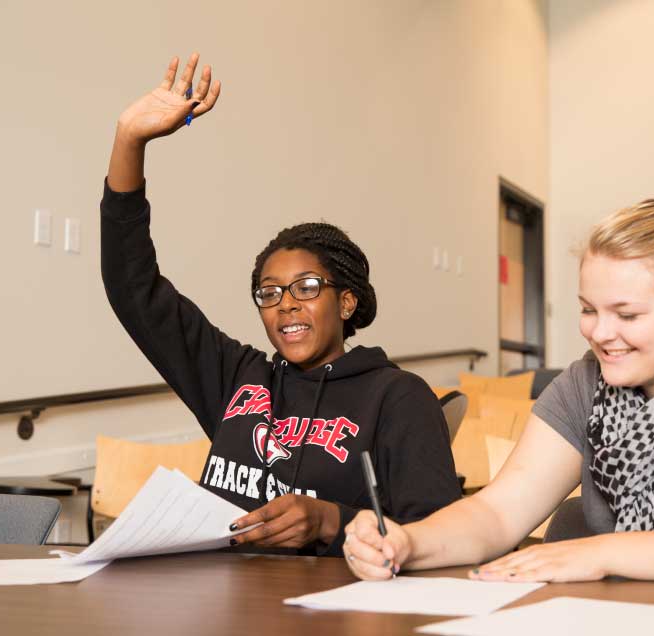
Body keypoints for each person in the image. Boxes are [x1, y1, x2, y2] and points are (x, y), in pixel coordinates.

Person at [344, 195, 654, 581]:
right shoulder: (582, 382)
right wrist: (409, 542)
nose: (599, 333)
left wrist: (603, 551)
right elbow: (497, 514)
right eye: (588, 309)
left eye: (627, 314)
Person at [101, 53, 461, 557]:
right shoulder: (238, 379)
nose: (286, 305)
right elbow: (132, 287)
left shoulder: (398, 398)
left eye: (307, 287)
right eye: (270, 293)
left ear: (348, 301)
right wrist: (129, 139)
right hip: (222, 604)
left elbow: (440, 535)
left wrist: (330, 522)